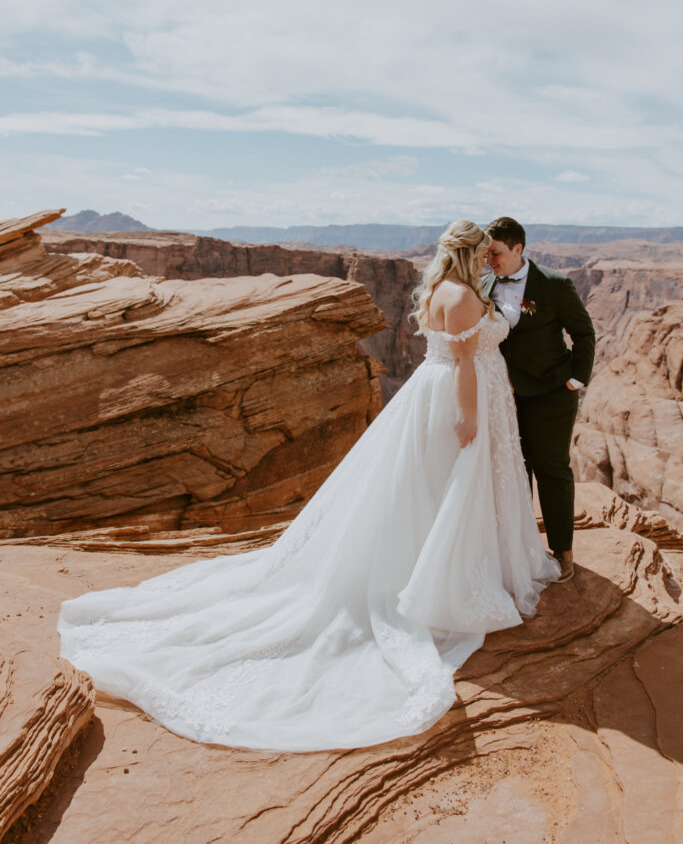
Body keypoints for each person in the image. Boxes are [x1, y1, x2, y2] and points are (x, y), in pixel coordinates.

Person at [59, 220, 559, 753]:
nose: (489, 260)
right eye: (484, 252)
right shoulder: (460, 296)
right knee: (446, 490)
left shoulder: (447, 288)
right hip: (455, 401)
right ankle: (435, 580)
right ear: (468, 254)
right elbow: (464, 363)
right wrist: (470, 418)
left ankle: (435, 566)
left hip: (437, 395)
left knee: (428, 493)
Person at [483, 217, 596, 583]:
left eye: (496, 253)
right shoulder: (484, 284)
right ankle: (525, 551)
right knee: (515, 472)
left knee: (551, 470)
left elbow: (583, 332)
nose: (489, 261)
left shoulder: (554, 284)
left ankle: (563, 551)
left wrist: (575, 380)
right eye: (486, 254)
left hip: (551, 394)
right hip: (504, 396)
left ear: (518, 249)